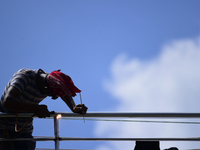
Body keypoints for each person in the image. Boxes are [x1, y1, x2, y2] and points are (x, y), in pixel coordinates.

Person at [0, 68, 88, 150]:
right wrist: (36, 108)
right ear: (46, 89)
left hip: (25, 134)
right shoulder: (24, 77)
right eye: (53, 97)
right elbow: (7, 101)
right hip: (4, 130)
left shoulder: (50, 80)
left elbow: (63, 89)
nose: (52, 98)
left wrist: (73, 107)